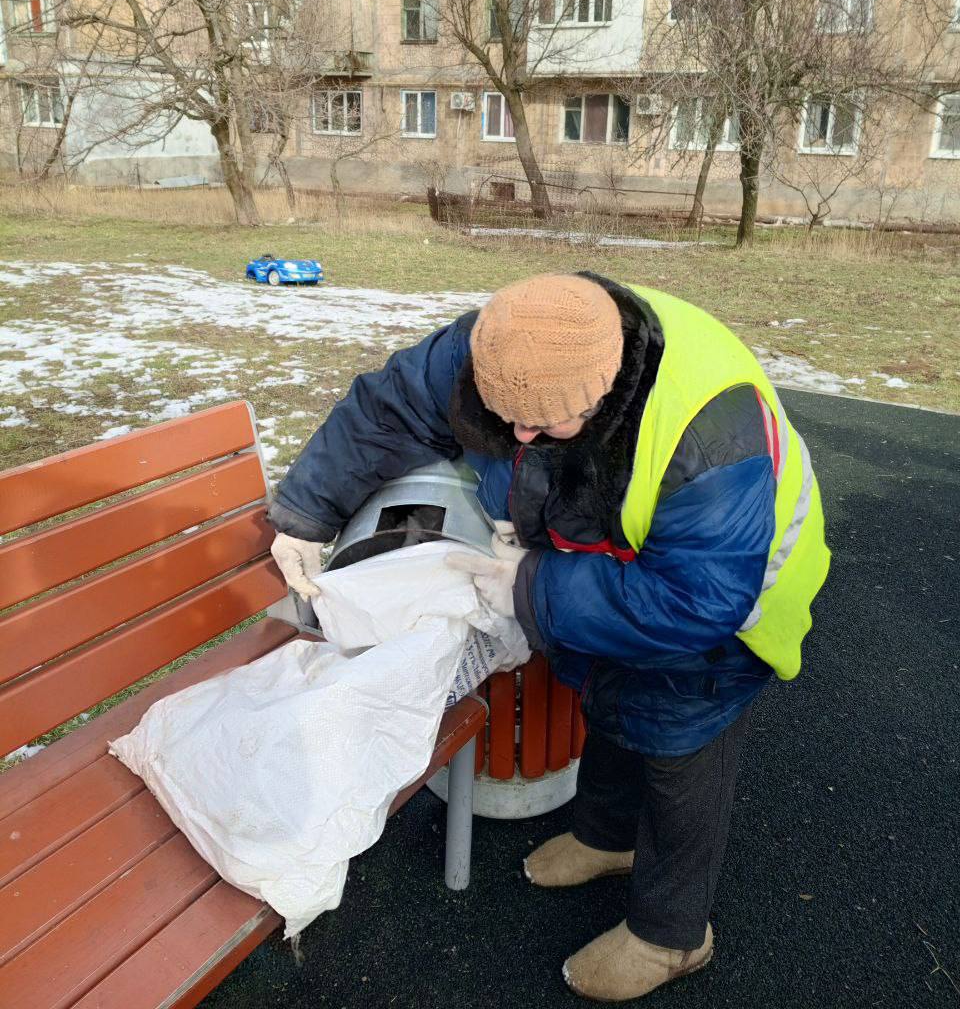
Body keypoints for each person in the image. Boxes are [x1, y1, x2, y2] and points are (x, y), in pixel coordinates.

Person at [269, 272, 830, 1002]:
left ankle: (671, 935)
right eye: (508, 420)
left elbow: (697, 602)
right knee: (607, 695)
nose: (522, 438)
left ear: (605, 394)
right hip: (610, 563)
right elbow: (388, 408)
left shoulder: (709, 433)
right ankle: (607, 837)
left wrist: (533, 586)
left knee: (680, 744)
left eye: (548, 424)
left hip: (728, 603)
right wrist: (305, 514)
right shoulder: (503, 345)